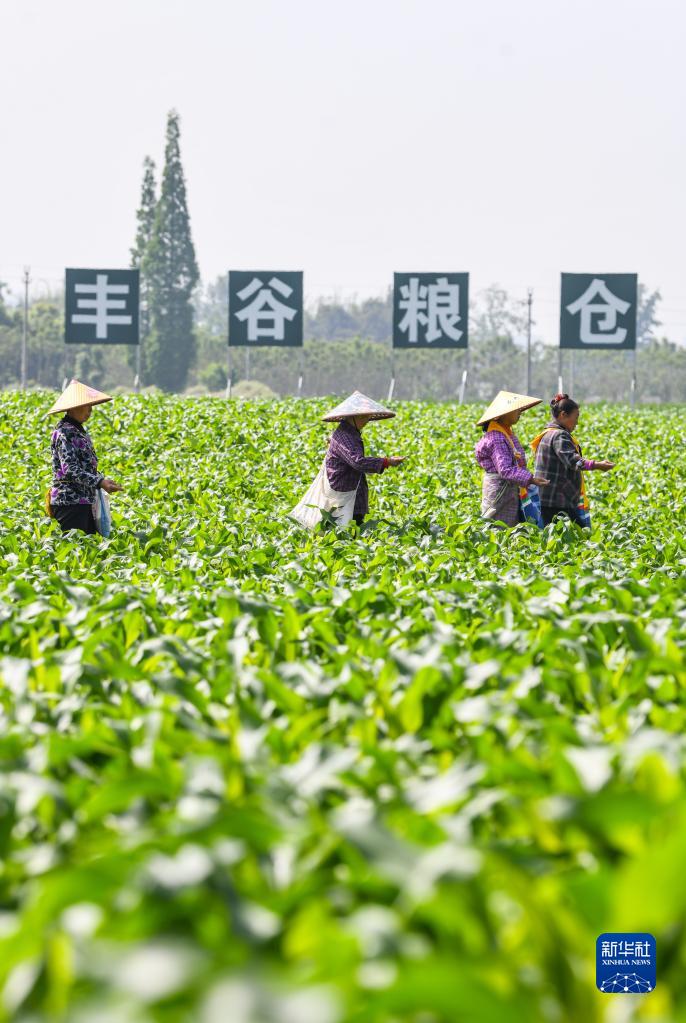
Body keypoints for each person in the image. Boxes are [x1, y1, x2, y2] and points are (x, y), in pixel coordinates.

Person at [46, 379, 122, 535]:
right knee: (74, 551)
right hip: (70, 502)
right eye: (86, 406)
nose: (90, 411)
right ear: (73, 407)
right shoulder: (65, 432)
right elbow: (70, 469)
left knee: (88, 551)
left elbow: (84, 466)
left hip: (83, 501)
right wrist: (99, 482)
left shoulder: (77, 430)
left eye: (91, 407)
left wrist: (102, 481)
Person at [531, 393, 614, 527]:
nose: (577, 422)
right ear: (563, 415)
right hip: (558, 499)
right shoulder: (559, 435)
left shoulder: (548, 433)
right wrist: (597, 465)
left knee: (557, 538)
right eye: (576, 417)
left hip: (550, 498)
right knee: (578, 538)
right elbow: (573, 461)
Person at [323, 391, 404, 526]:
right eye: (365, 417)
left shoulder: (349, 433)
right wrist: (387, 461)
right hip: (344, 500)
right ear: (356, 417)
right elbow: (358, 461)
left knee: (351, 535)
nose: (367, 421)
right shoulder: (345, 435)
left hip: (350, 497)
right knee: (345, 536)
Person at [475, 390, 550, 527]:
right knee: (498, 527)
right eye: (515, 409)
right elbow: (505, 470)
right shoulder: (496, 437)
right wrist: (531, 479)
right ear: (500, 415)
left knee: (508, 527)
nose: (520, 411)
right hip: (501, 491)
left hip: (508, 490)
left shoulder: (505, 433)